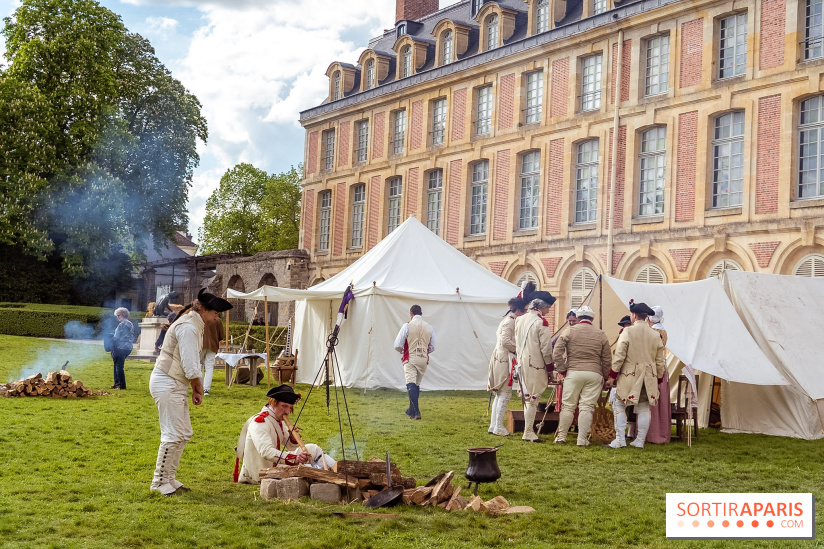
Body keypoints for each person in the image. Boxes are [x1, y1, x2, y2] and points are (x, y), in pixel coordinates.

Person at [149, 288, 232, 495]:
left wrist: (194, 388)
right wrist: (198, 387)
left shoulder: (195, 324)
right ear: (202, 309)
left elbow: (191, 362)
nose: (216, 317)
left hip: (174, 383)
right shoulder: (188, 326)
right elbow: (190, 364)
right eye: (214, 312)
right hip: (167, 382)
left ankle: (169, 479)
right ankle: (159, 482)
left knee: (184, 433)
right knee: (173, 434)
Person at [237, 385, 335, 484]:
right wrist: (294, 459)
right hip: (259, 472)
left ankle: (337, 469)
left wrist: (293, 437)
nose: (288, 411)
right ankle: (327, 475)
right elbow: (266, 451)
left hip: (275, 465)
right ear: (273, 402)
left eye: (290, 407)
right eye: (284, 406)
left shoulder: (276, 418)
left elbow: (290, 447)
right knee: (307, 469)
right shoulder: (260, 422)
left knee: (313, 449)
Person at [605, 301, 666, 449]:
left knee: (619, 404)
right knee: (644, 407)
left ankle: (620, 440)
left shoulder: (627, 332)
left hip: (629, 375)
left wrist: (612, 375)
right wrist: (658, 378)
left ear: (633, 315)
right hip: (649, 376)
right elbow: (660, 361)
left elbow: (619, 356)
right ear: (646, 317)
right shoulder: (655, 334)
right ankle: (639, 441)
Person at [551, 305, 611, 446]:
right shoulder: (600, 334)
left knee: (568, 406)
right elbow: (607, 358)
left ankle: (561, 437)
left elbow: (556, 352)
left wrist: (562, 369)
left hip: (573, 372)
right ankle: (582, 439)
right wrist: (605, 376)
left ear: (578, 318)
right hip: (594, 372)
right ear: (592, 318)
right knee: (587, 407)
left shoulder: (569, 331)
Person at [514, 291, 555, 443]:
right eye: (548, 307)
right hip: (535, 364)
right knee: (532, 398)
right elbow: (546, 349)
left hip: (522, 362)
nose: (549, 311)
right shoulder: (541, 322)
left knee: (527, 398)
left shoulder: (520, 319)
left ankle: (528, 430)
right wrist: (550, 369)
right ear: (542, 307)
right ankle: (528, 432)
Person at [487, 297, 528, 436]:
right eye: (523, 311)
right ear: (517, 310)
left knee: (501, 394)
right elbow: (505, 341)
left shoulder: (508, 320)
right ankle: (498, 426)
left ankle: (494, 425)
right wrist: (519, 349)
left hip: (502, 358)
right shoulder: (510, 322)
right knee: (504, 394)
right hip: (505, 360)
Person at [394, 304, 435, 420]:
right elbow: (432, 346)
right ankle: (411, 410)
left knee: (410, 383)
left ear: (411, 314)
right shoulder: (429, 327)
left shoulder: (407, 326)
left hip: (410, 357)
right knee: (416, 384)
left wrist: (402, 350)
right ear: (421, 314)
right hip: (423, 358)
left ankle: (416, 412)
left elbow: (397, 344)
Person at [644, 305, 671, 444]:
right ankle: (661, 431)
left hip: (654, 369)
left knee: (652, 402)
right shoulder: (662, 330)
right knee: (660, 403)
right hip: (661, 368)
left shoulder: (653, 332)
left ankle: (653, 433)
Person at [201, 314, 224, 396]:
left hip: (201, 345)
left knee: (199, 366)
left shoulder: (201, 317)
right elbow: (221, 336)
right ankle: (206, 389)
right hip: (213, 345)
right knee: (209, 368)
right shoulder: (217, 320)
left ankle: (200, 388)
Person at [111, 308, 134, 390]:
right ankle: (117, 383)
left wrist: (110, 338)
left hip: (121, 347)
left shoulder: (122, 324)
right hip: (128, 347)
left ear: (123, 315)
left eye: (118, 315)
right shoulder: (130, 323)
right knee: (117, 364)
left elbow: (116, 337)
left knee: (119, 366)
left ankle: (121, 385)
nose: (117, 317)